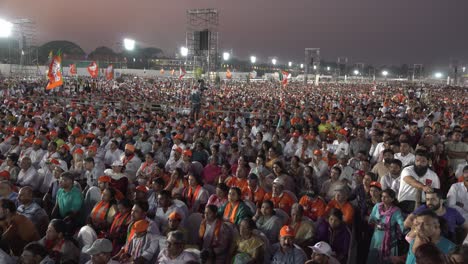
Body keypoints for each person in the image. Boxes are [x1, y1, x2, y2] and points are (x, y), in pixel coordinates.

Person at [367, 189, 405, 263]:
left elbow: (402, 225)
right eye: (382, 196)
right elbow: (371, 219)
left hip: (390, 241)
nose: (383, 199)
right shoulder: (377, 206)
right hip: (376, 238)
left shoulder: (396, 211)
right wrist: (374, 221)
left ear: (392, 199)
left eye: (386, 197)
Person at [398, 150, 440, 214]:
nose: (419, 163)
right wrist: (423, 187)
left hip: (424, 203)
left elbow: (436, 192)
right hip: (406, 201)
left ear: (428, 162)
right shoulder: (407, 170)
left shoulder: (433, 175)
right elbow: (411, 181)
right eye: (417, 161)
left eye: (423, 161)